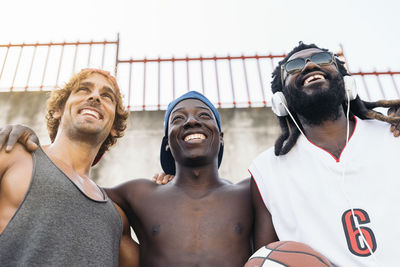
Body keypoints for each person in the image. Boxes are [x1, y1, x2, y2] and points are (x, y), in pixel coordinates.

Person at [2, 91, 277, 266]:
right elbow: (70, 185)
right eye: (178, 119)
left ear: (221, 136)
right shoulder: (139, 195)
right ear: (167, 143)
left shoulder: (251, 192)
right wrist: (26, 139)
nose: (192, 122)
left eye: (204, 116)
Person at [249, 42, 400, 266]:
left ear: (347, 82)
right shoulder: (266, 170)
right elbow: (265, 257)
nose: (309, 65)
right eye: (294, 66)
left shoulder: (392, 132)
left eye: (322, 59)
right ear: (280, 101)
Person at [0, 69, 138, 266]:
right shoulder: (13, 156)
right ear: (58, 109)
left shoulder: (117, 218)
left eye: (107, 96)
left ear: (115, 126)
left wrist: (173, 179)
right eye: (83, 89)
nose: (95, 96)